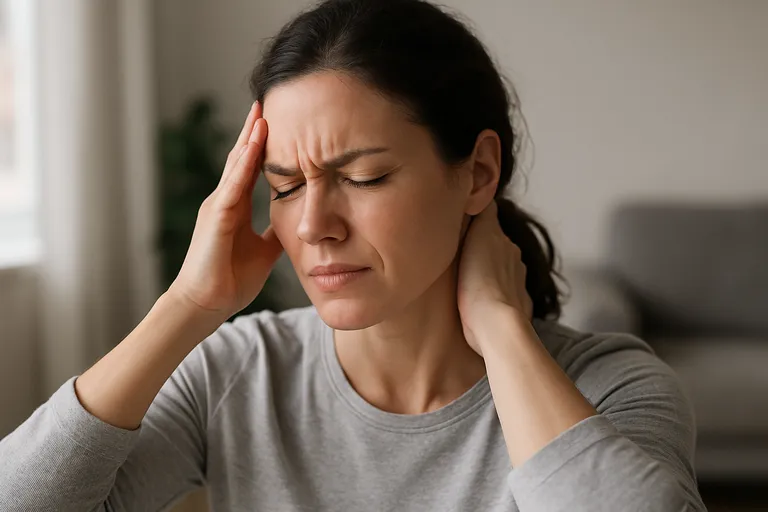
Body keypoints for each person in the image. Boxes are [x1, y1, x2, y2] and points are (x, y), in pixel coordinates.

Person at [0, 0, 706, 510]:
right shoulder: (240, 372)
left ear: (479, 173)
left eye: (363, 178)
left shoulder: (613, 388)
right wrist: (188, 307)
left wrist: (500, 330)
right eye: (284, 186)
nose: (313, 225)